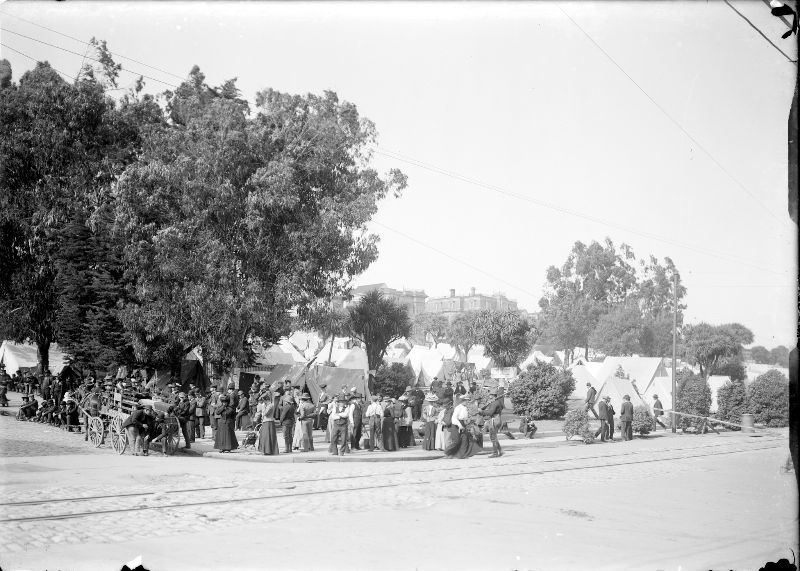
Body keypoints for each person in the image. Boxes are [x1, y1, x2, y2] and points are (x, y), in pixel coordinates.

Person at [446, 394, 477, 459]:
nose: (467, 402)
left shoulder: (465, 408)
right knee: (456, 441)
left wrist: (468, 421)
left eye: (468, 401)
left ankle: (462, 455)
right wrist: (459, 425)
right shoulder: (458, 408)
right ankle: (448, 452)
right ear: (463, 401)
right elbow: (454, 418)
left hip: (463, 423)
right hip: (456, 424)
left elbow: (465, 417)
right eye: (466, 401)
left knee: (464, 440)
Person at [479, 389, 505, 458]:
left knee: (493, 437)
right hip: (497, 419)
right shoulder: (497, 402)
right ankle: (500, 450)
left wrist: (481, 412)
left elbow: (490, 412)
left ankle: (495, 453)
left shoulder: (495, 403)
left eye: (490, 395)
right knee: (494, 437)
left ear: (492, 395)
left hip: (494, 420)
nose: (489, 396)